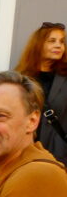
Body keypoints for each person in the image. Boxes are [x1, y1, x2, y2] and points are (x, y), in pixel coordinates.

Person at [15, 22, 67, 164]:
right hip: (24, 153)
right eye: (52, 41)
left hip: (59, 156)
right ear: (38, 45)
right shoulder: (20, 78)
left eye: (62, 42)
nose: (58, 45)